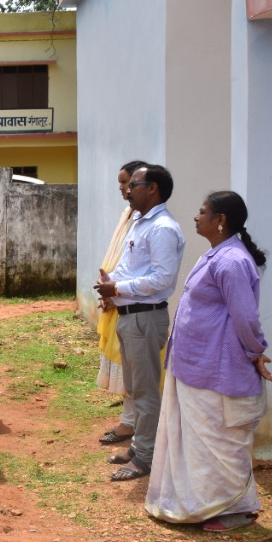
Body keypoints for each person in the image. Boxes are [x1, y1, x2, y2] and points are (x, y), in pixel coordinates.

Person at [146, 191, 272, 532]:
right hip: (195, 364)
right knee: (198, 442)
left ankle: (235, 509)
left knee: (219, 441)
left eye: (202, 212)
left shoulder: (231, 261)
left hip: (215, 366)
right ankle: (199, 504)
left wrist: (256, 351)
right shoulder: (217, 254)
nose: (196, 216)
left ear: (221, 220)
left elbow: (245, 317)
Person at [93, 164, 185, 482]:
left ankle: (146, 456)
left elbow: (162, 278)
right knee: (134, 388)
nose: (128, 190)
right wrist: (110, 283)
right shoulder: (140, 223)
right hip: (130, 317)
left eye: (134, 184)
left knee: (145, 391)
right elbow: (131, 268)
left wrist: (117, 288)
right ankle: (139, 446)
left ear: (153, 188)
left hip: (145, 317)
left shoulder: (162, 228)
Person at [96, 160, 146, 444]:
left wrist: (116, 292)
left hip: (133, 302)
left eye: (127, 183)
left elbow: (148, 273)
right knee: (126, 366)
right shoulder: (129, 214)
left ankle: (133, 424)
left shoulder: (150, 223)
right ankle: (129, 421)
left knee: (134, 370)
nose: (123, 189)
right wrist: (108, 290)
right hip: (118, 296)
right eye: (121, 184)